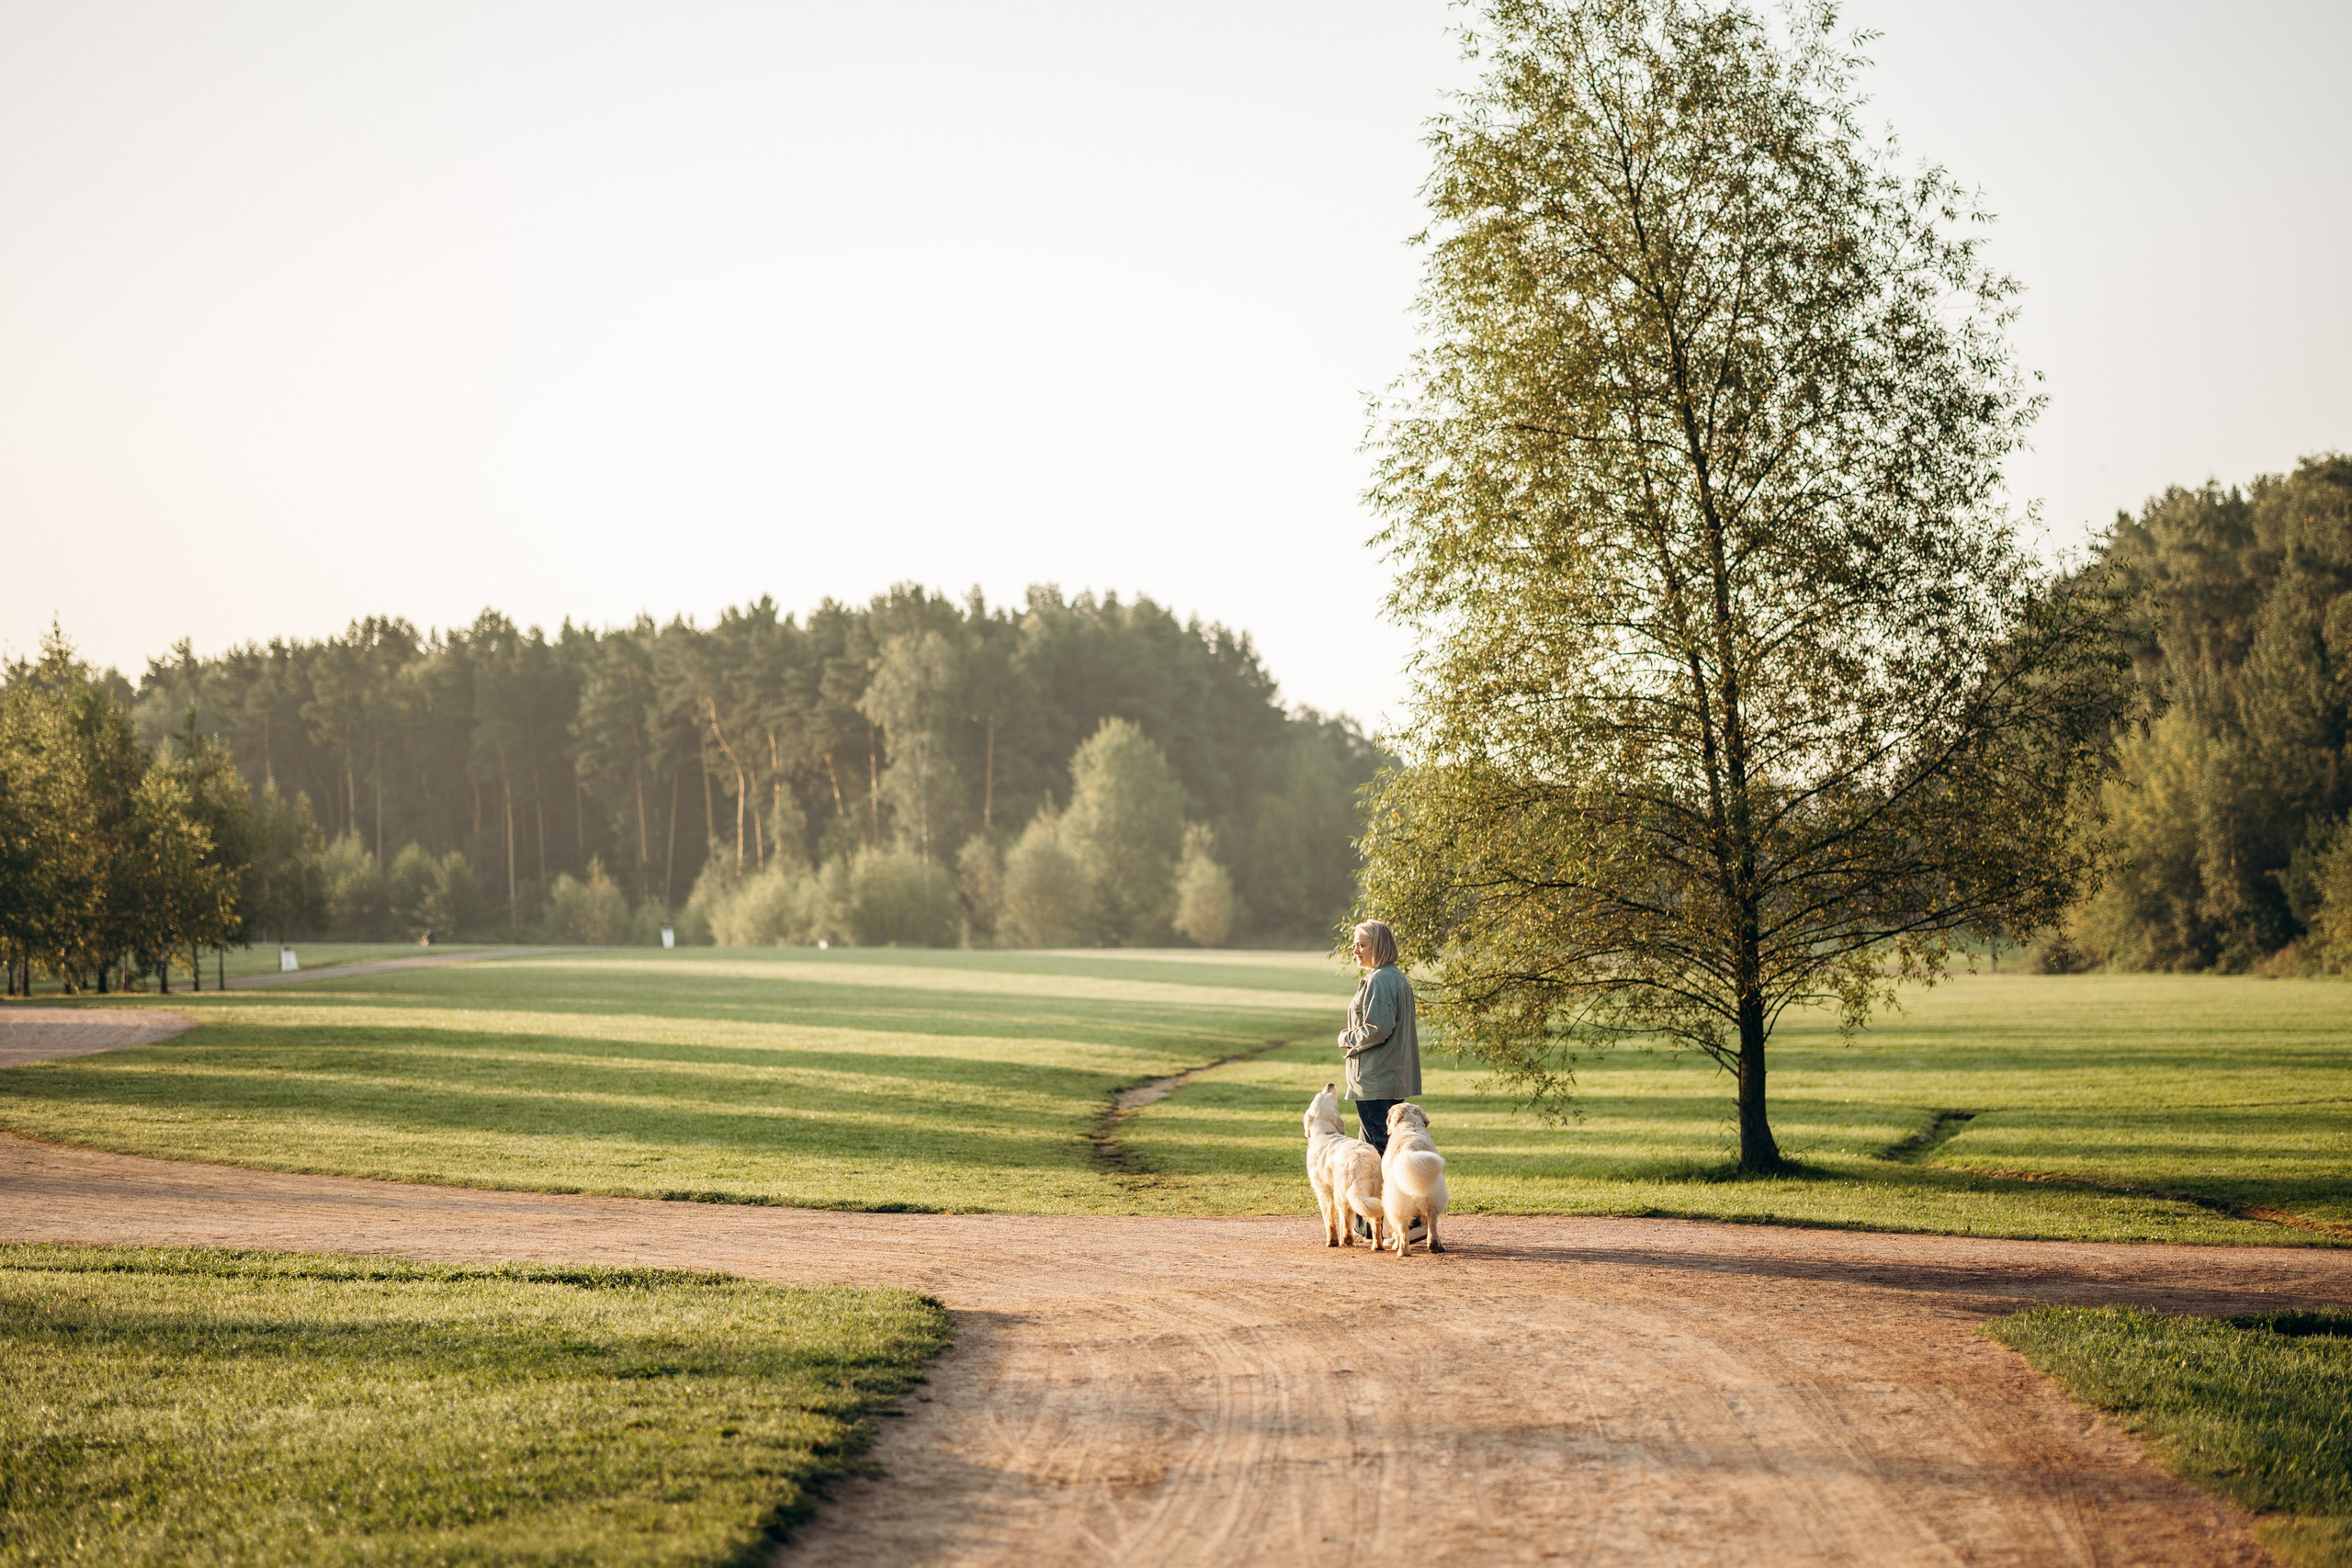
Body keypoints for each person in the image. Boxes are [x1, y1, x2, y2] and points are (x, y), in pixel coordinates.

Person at [1338, 919, 1421, 1238]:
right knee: (1369, 1152)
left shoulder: (1381, 980)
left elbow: (1378, 1028)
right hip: (1382, 1077)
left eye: (1362, 943)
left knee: (1383, 1153)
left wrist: (1347, 1038)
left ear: (1379, 945)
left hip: (1376, 1079)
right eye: (1355, 943)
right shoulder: (1390, 977)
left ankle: (1413, 1223)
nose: (1355, 949)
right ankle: (1368, 1226)